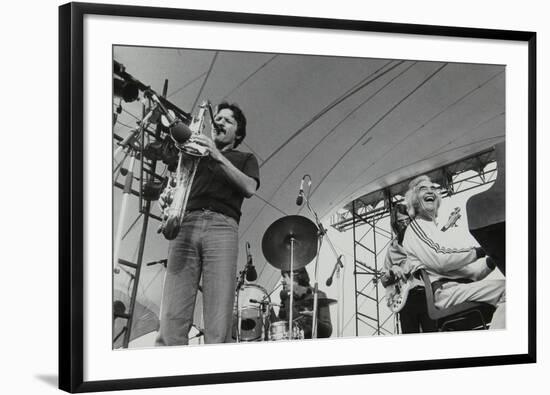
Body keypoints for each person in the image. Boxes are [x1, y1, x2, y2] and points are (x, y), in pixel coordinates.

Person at [155, 102, 260, 346]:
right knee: (171, 313)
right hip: (186, 224)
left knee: (218, 318)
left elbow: (249, 187)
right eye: (218, 118)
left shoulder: (245, 158)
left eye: (227, 121)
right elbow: (177, 182)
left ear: (239, 134)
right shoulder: (192, 154)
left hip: (222, 227)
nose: (219, 122)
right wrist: (168, 197)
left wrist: (215, 153)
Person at [402, 175, 505, 329]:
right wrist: (479, 251)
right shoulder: (416, 227)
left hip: (460, 288)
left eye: (433, 188)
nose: (430, 191)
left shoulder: (436, 231)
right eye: (423, 189)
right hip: (445, 292)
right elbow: (440, 259)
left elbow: (473, 274)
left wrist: (491, 258)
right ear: (415, 200)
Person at [381, 204, 436, 333]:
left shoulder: (421, 241)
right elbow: (383, 280)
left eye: (408, 220)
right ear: (395, 224)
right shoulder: (392, 248)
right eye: (401, 222)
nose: (405, 224)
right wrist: (392, 270)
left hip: (425, 294)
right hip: (404, 301)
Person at [276, 268, 333, 339]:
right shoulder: (287, 298)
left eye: (285, 277)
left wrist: (312, 320)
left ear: (296, 277)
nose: (283, 281)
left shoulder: (318, 296)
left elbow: (327, 332)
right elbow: (279, 326)